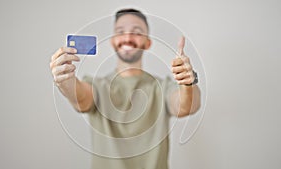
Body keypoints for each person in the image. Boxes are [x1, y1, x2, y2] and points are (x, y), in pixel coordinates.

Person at [50, 8, 201, 169]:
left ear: (147, 43)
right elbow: (80, 98)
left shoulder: (162, 87)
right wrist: (65, 82)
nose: (128, 37)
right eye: (120, 32)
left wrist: (188, 82)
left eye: (136, 32)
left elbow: (187, 106)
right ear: (113, 41)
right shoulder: (97, 86)